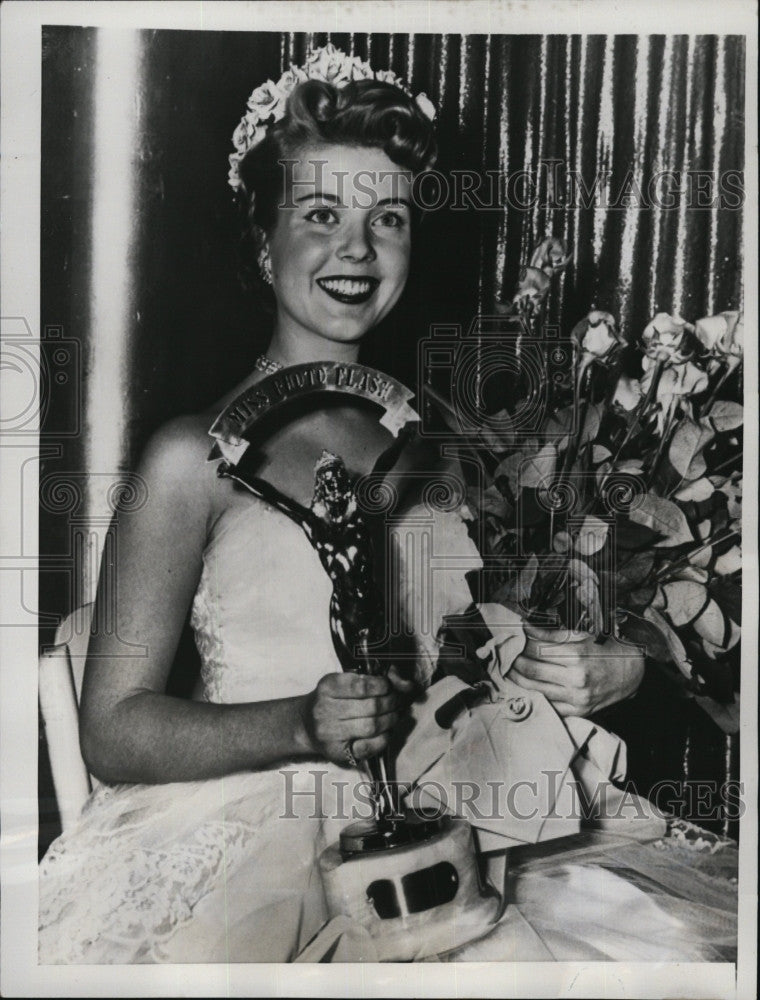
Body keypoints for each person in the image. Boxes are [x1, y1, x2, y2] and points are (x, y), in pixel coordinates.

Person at [38, 47, 646, 965]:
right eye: (321, 214)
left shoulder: (456, 444)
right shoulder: (189, 456)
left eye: (386, 219)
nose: (356, 249)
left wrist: (611, 665)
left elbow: (502, 649)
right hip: (263, 833)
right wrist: (299, 724)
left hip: (463, 816)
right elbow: (114, 726)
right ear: (263, 238)